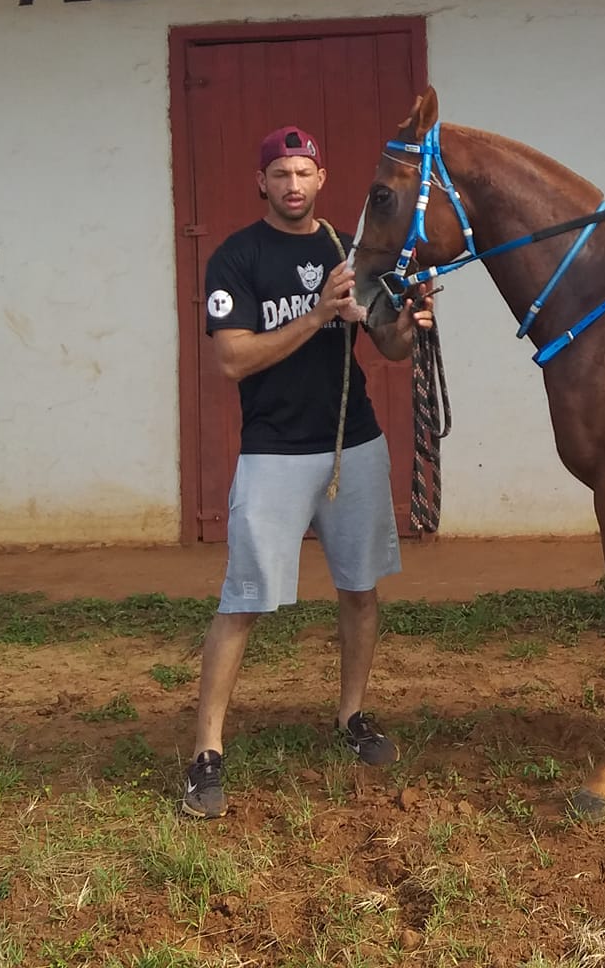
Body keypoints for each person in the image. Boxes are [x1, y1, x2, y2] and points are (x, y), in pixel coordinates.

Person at [183, 125, 433, 819]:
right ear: (261, 183)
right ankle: (207, 751)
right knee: (245, 600)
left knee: (359, 589)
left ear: (322, 180)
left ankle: (351, 716)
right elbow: (233, 359)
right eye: (281, 174)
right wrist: (319, 313)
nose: (293, 185)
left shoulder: (347, 252)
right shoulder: (237, 257)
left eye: (305, 173)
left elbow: (389, 347)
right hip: (274, 451)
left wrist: (411, 316)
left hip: (353, 443)